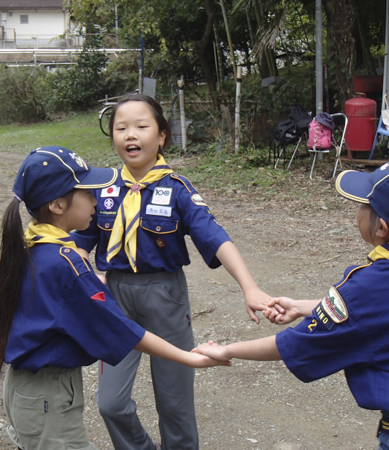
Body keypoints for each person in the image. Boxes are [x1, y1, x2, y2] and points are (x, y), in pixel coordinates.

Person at [193, 158, 389, 450]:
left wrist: (226, 350)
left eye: (364, 205)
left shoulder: (369, 285)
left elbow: (294, 344)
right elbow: (388, 311)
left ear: (381, 227)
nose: (358, 211)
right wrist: (302, 306)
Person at [0, 147, 229, 450]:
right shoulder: (66, 264)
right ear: (58, 204)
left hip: (23, 390)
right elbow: (119, 329)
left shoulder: (27, 250)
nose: (96, 199)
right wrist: (189, 357)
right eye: (87, 193)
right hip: (50, 395)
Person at [72, 94, 271, 450]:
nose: (130, 135)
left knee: (174, 405)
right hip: (115, 298)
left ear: (162, 136)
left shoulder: (177, 190)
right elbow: (75, 241)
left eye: (141, 126)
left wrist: (250, 287)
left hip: (165, 296)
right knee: (110, 404)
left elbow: (215, 237)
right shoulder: (102, 190)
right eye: (121, 128)